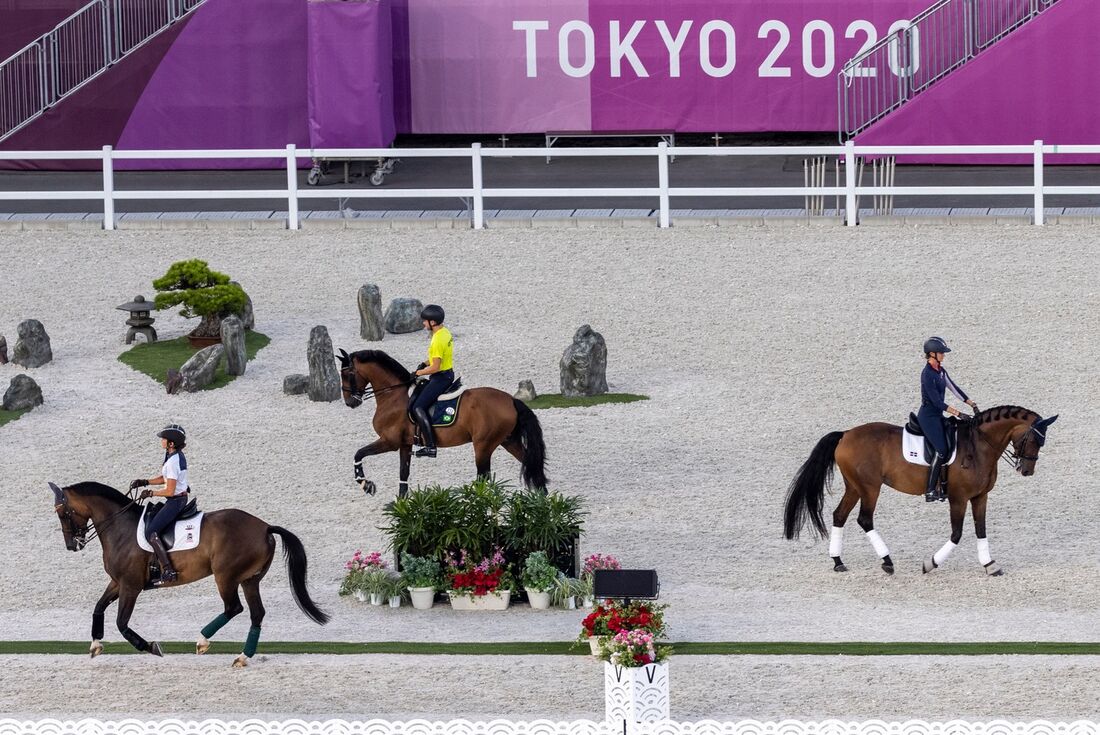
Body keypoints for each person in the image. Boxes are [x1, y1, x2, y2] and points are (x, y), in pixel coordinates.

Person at [918, 337, 978, 502]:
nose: (943, 356)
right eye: (941, 353)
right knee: (942, 450)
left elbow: (954, 388)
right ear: (932, 354)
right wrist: (958, 413)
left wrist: (971, 403)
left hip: (938, 416)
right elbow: (937, 402)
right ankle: (930, 490)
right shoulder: (927, 374)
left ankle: (945, 483)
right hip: (928, 416)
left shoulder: (941, 371)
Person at [129, 424, 190, 583]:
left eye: (164, 439)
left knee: (151, 531)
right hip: (176, 498)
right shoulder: (172, 456)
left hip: (176, 501)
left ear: (171, 443)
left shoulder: (173, 461)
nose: (161, 441)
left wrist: (151, 493)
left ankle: (168, 570)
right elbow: (165, 478)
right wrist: (145, 482)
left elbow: (169, 490)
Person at [409, 304, 454, 458]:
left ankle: (430, 446)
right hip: (449, 374)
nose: (423, 324)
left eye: (425, 321)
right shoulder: (444, 332)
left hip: (440, 378)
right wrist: (424, 363)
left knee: (418, 407)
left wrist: (417, 372)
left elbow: (435, 367)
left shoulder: (436, 340)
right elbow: (436, 358)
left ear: (432, 323)